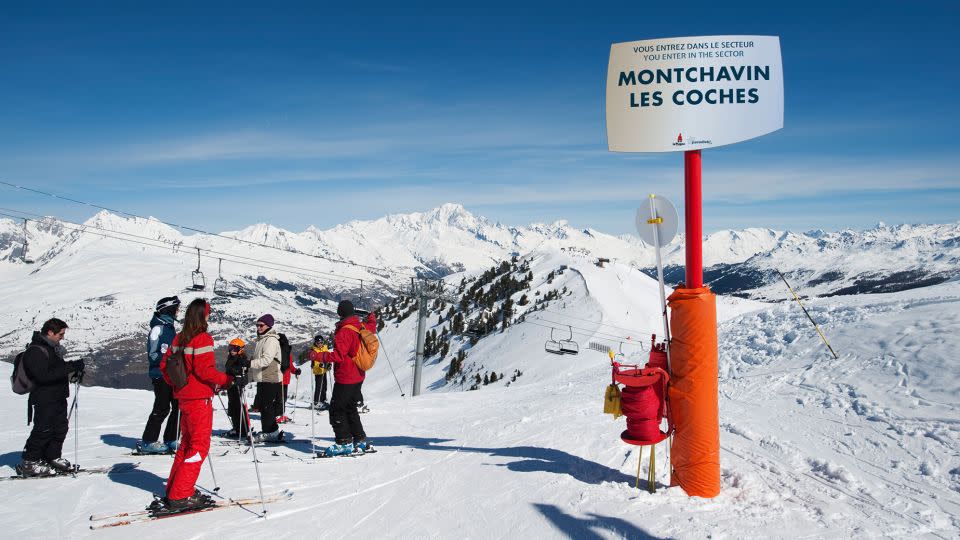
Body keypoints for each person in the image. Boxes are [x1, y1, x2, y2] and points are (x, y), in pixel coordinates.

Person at [157, 298, 233, 512]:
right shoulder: (202, 338)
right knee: (199, 447)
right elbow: (205, 371)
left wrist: (178, 384)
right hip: (200, 399)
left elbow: (165, 365)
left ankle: (175, 488)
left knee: (186, 445)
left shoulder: (179, 338)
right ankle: (181, 494)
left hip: (184, 398)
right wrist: (227, 380)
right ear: (203, 315)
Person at [16, 318, 85, 477]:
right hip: (44, 398)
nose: (62, 337)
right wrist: (71, 367)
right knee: (43, 429)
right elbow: (43, 376)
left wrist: (73, 370)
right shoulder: (36, 350)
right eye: (60, 334)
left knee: (60, 428)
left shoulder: (52, 348)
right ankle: (30, 462)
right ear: (50, 332)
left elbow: (55, 370)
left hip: (57, 396)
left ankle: (51, 456)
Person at [316, 300, 375, 456]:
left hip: (346, 376)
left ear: (340, 313)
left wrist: (318, 355)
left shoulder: (345, 331)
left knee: (336, 409)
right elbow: (372, 327)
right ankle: (360, 440)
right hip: (358, 375)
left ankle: (344, 442)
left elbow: (338, 355)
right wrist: (371, 317)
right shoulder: (359, 325)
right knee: (350, 408)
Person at [139, 296, 181, 454]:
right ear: (169, 309)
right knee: (162, 407)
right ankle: (148, 441)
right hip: (161, 374)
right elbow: (153, 354)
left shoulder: (170, 327)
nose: (178, 311)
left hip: (173, 374)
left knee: (178, 406)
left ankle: (171, 439)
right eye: (176, 308)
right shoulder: (158, 329)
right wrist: (170, 361)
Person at [248, 314, 283, 442]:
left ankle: (271, 432)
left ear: (268, 325)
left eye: (261, 325)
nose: (258, 328)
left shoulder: (271, 340)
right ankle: (269, 430)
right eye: (257, 325)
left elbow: (267, 360)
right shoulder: (262, 339)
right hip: (263, 377)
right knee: (264, 406)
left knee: (267, 406)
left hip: (270, 377)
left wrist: (249, 364)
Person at [223, 338, 250, 438]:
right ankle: (237, 427)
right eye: (230, 348)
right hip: (231, 385)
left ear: (240, 349)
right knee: (232, 406)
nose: (232, 350)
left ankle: (242, 428)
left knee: (238, 406)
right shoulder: (231, 358)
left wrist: (237, 375)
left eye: (234, 348)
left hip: (237, 385)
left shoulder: (242, 359)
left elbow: (244, 371)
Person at [307, 335, 330, 410]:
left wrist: (329, 364)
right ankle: (316, 402)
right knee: (319, 387)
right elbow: (314, 360)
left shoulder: (325, 348)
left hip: (324, 370)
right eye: (318, 343)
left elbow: (328, 357)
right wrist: (320, 364)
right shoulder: (314, 350)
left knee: (324, 387)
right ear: (315, 343)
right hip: (318, 371)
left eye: (321, 342)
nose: (320, 344)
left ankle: (322, 401)